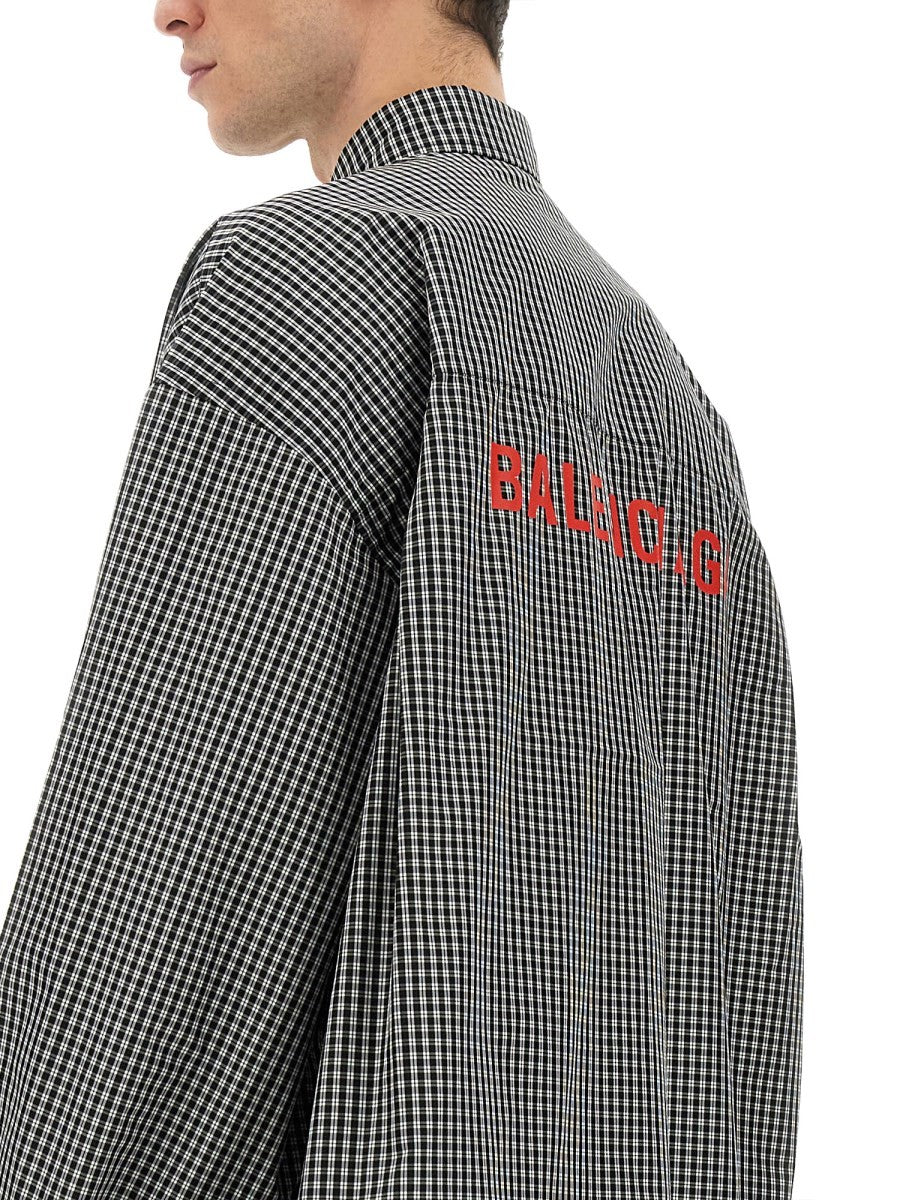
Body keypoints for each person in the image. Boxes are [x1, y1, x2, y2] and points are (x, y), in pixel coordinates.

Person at [0, 2, 804, 1198]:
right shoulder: (672, 403)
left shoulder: (304, 285)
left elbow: (146, 963)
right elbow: (740, 1027)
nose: (167, 9)